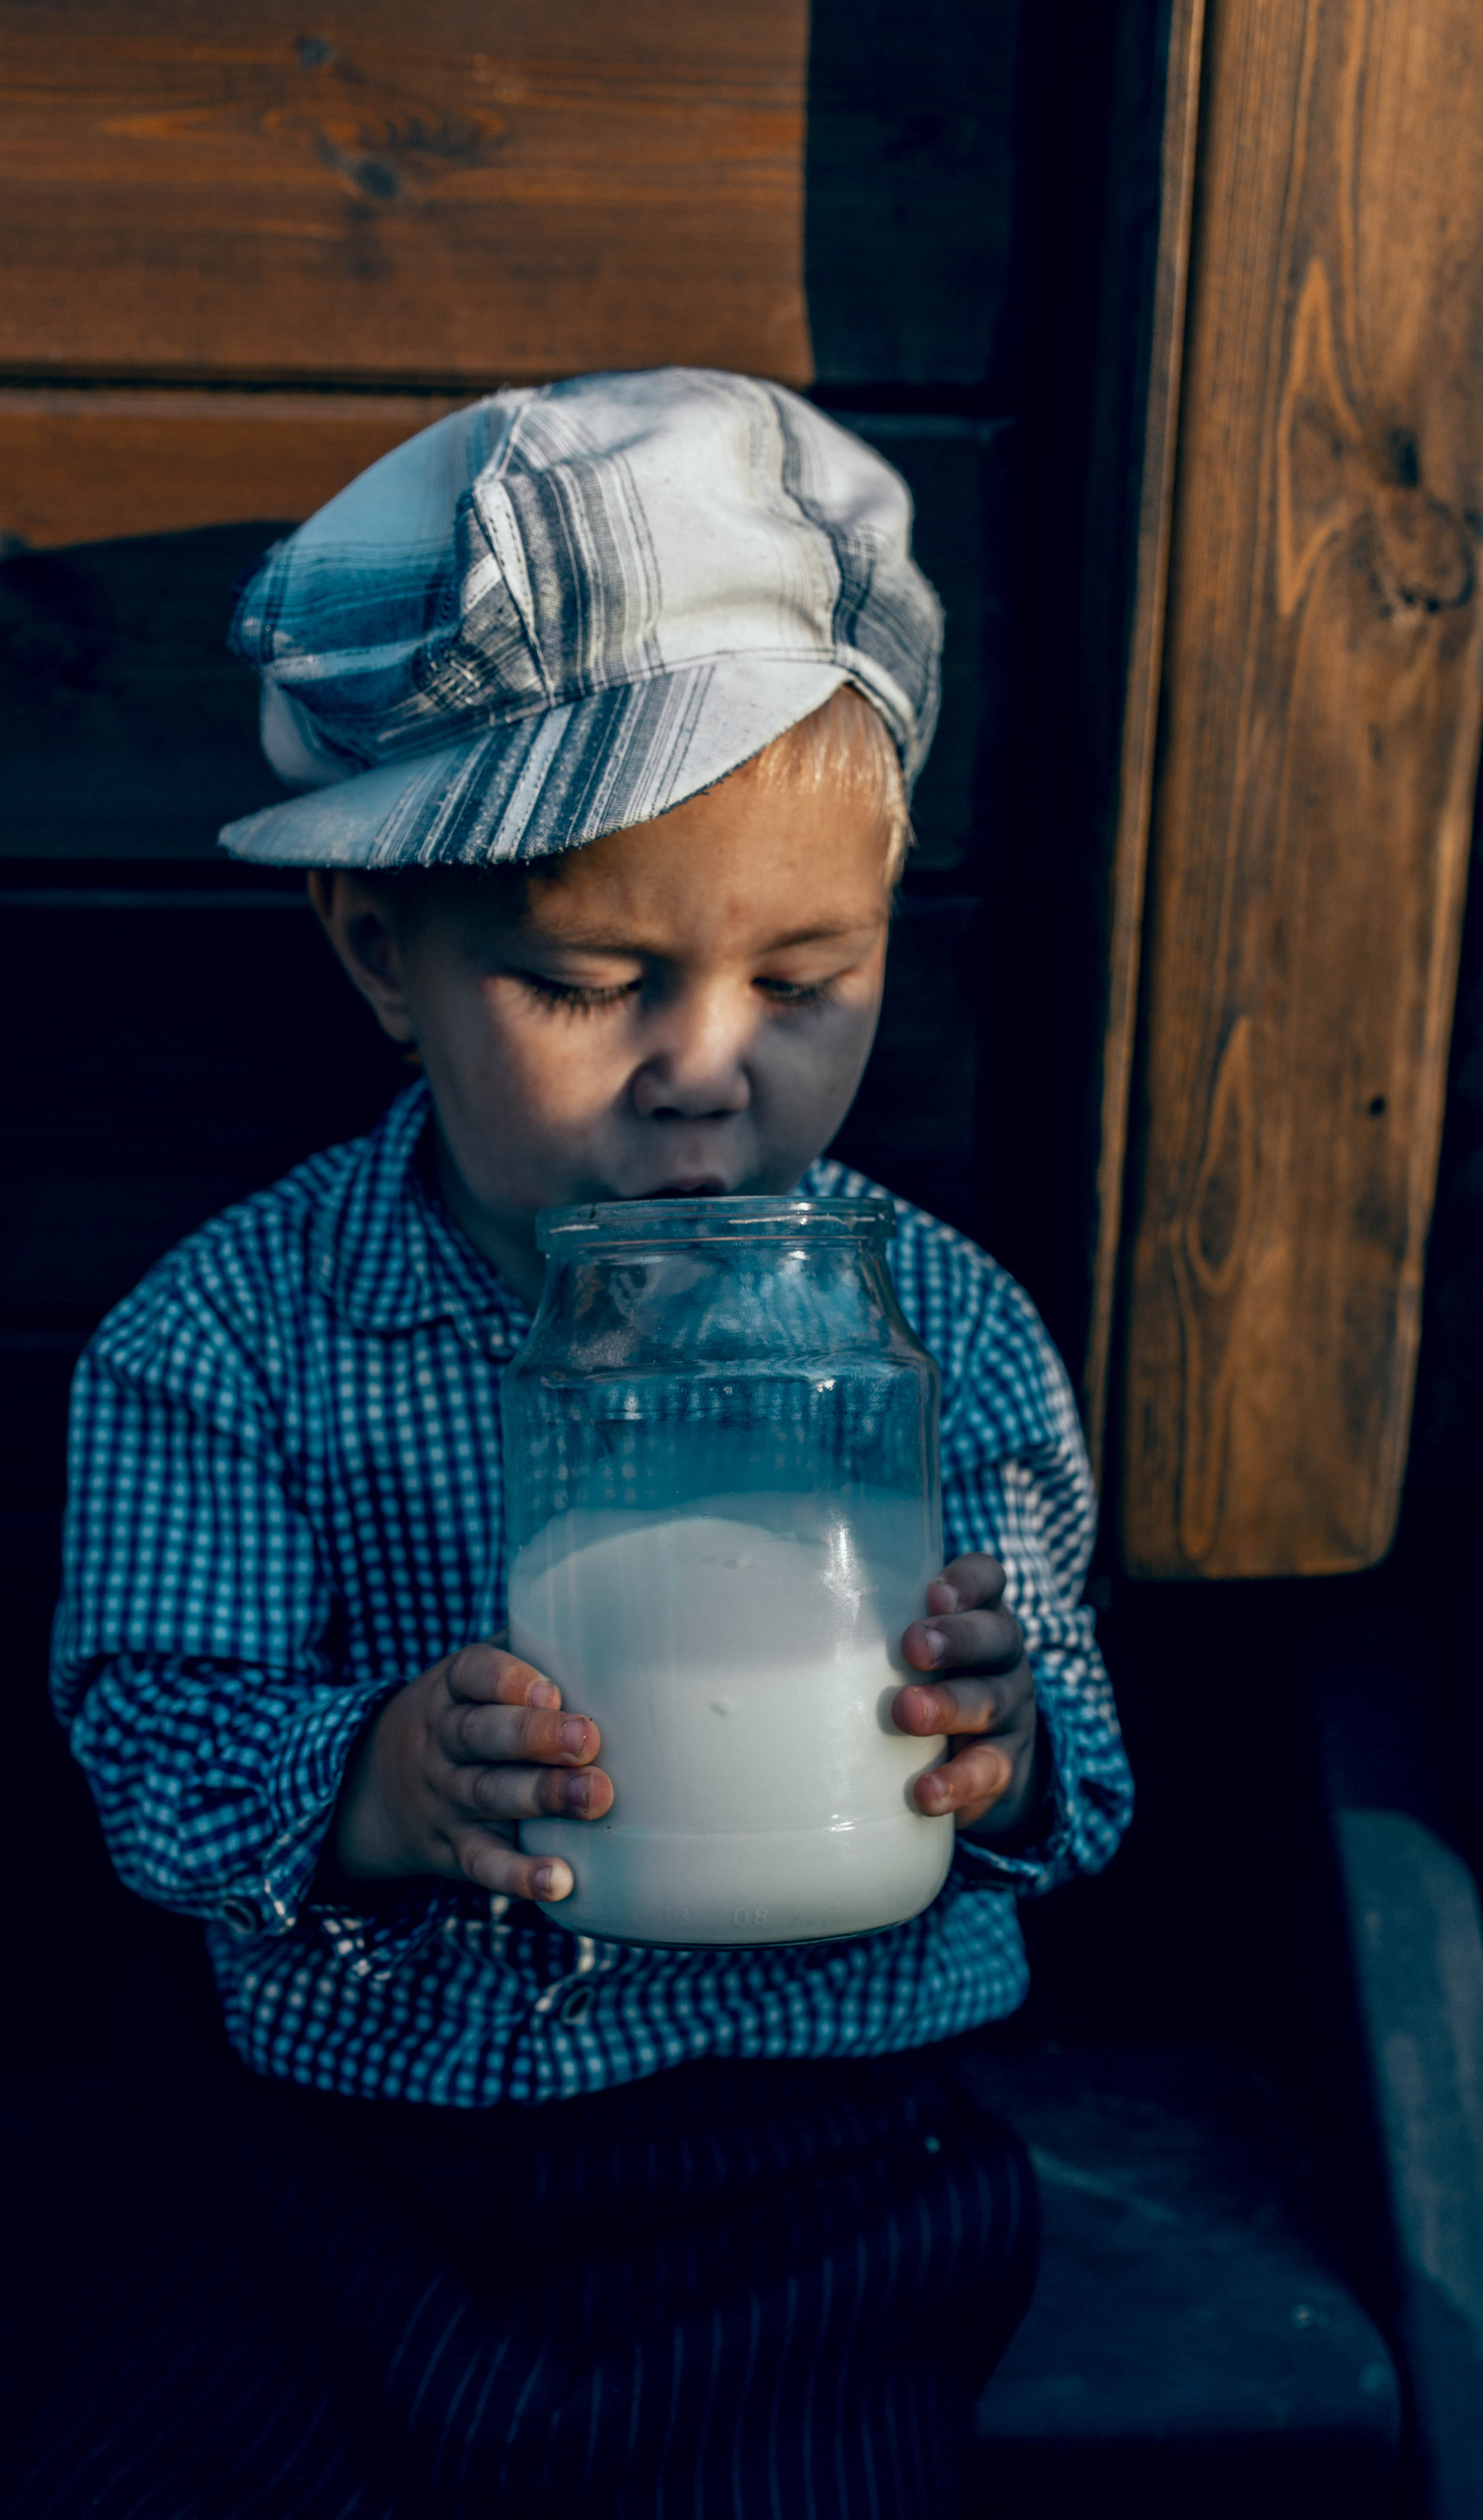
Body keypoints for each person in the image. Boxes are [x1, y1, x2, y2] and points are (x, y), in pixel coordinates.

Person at [37, 370, 1132, 2518]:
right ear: (386, 953)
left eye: (803, 977)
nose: (705, 1076)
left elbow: (1071, 1755)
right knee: (137, 2444)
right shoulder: (234, 1338)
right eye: (591, 984)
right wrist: (363, 1790)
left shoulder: (944, 1331)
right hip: (342, 2160)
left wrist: (1000, 1745)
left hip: (815, 2158)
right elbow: (156, 1741)